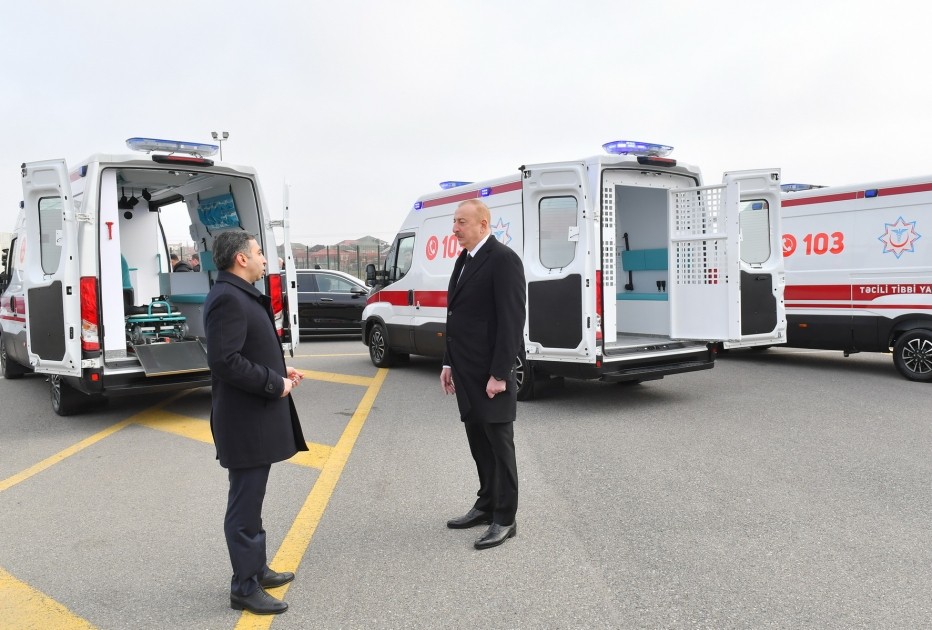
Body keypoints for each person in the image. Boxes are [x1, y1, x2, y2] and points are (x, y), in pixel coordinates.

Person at [203, 231, 308, 615]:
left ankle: (256, 568)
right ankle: (243, 587)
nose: (265, 258)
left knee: (253, 500)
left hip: (253, 418)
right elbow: (224, 361)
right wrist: (272, 382)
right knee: (245, 504)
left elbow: (247, 349)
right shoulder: (227, 298)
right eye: (260, 252)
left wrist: (281, 369)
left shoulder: (239, 293)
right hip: (244, 421)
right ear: (241, 259)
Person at [440, 199, 526, 550]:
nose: (455, 228)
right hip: (465, 371)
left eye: (461, 221)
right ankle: (486, 503)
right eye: (454, 221)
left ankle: (505, 518)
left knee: (499, 446)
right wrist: (448, 363)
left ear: (483, 224)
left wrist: (500, 374)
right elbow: (456, 318)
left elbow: (511, 322)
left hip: (491, 375)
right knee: (479, 443)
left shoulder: (503, 260)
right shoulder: (463, 260)